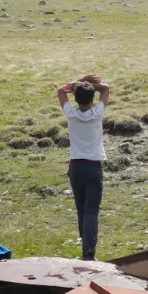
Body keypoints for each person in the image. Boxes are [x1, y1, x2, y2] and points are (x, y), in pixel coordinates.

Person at [57, 74, 110, 261]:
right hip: (93, 167)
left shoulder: (71, 114)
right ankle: (89, 252)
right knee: (91, 209)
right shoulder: (97, 114)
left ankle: (85, 245)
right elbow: (106, 88)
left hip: (76, 167)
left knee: (81, 208)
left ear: (76, 99)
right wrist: (89, 83)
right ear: (92, 99)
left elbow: (60, 91)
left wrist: (79, 82)